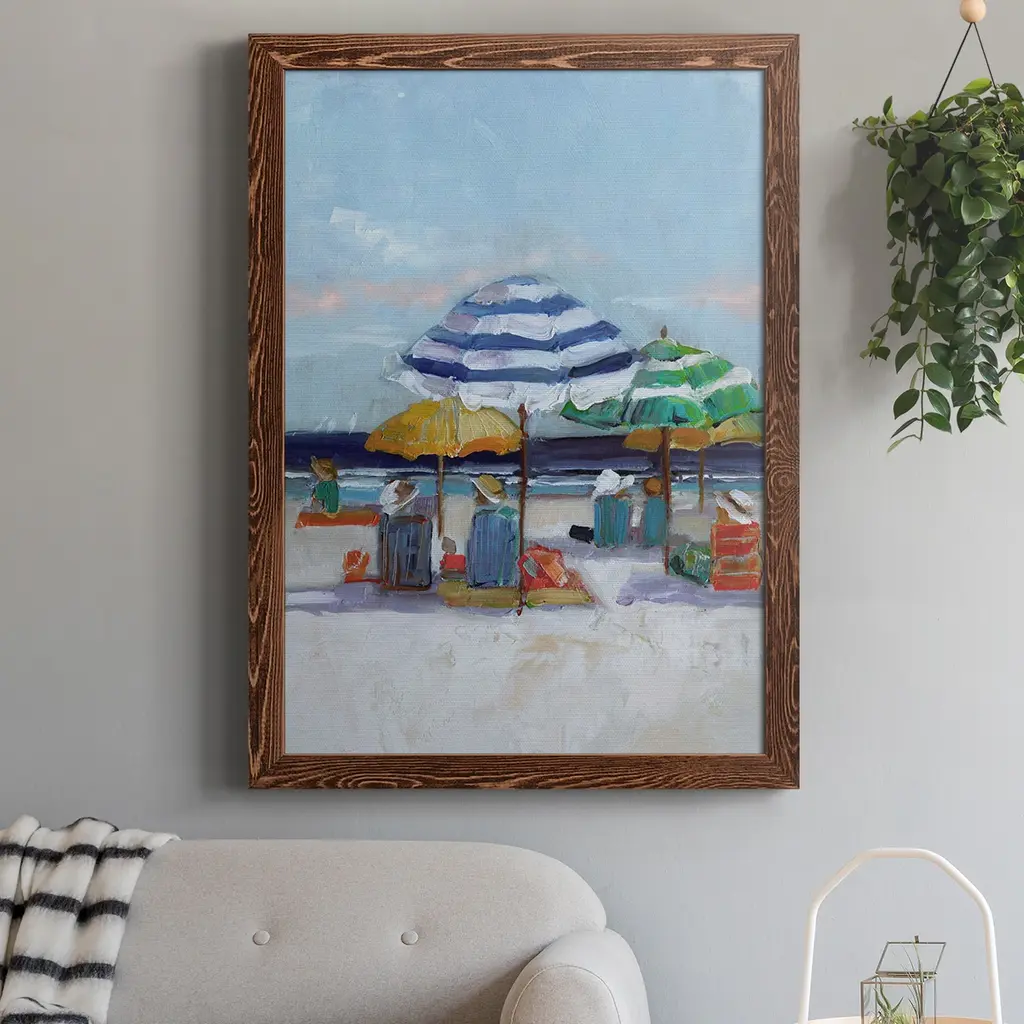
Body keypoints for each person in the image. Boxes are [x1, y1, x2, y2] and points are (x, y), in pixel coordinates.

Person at [467, 474, 520, 588]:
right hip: (503, 581)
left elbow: (472, 551)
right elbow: (515, 552)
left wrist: (471, 580)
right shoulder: (512, 516)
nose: (475, 495)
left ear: (485, 495)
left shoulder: (479, 517)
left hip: (482, 581)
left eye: (478, 492)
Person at [379, 479, 432, 590]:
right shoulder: (421, 521)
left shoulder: (391, 522)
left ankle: (398, 579)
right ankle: (413, 579)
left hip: (398, 577)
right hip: (403, 530)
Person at [592, 469, 634, 548]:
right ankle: (613, 541)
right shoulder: (620, 499)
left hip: (605, 499)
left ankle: (605, 541)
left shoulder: (601, 499)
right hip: (609, 498)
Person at [641, 476, 668, 548]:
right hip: (657, 504)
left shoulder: (650, 503)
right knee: (657, 524)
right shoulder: (661, 503)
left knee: (651, 524)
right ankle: (656, 541)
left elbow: (648, 519)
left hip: (653, 504)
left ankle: (651, 541)